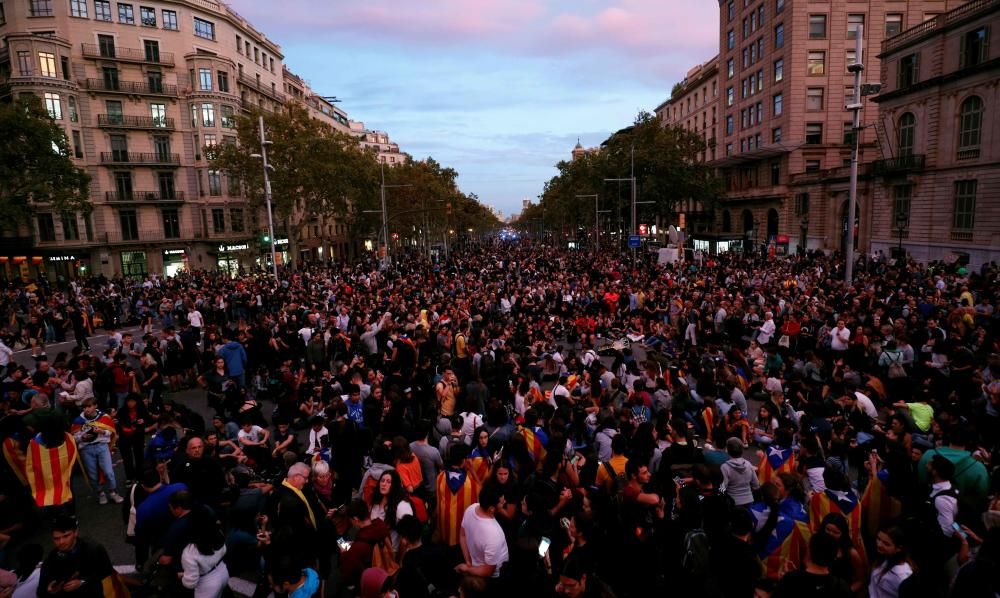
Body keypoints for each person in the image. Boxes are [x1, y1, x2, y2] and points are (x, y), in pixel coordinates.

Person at [37, 516, 114, 598]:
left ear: (76, 532)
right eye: (56, 538)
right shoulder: (50, 560)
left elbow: (107, 571)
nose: (61, 542)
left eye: (66, 536)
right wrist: (49, 590)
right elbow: (41, 592)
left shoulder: (93, 549)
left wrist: (82, 581)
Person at [70, 397, 124, 505]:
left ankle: (113, 492)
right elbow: (74, 438)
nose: (86, 409)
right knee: (93, 475)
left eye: (89, 406)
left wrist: (102, 431)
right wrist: (82, 437)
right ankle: (101, 494)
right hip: (86, 449)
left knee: (109, 472)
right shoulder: (78, 421)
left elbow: (111, 432)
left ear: (95, 406)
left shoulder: (104, 417)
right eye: (84, 407)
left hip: (102, 446)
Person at [772, 532, 851, 598]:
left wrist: (786, 580)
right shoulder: (841, 587)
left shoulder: (790, 581)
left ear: (809, 552)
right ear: (833, 557)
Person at [457, 484, 509, 579]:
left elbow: (462, 536)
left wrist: (468, 562)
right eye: (501, 502)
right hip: (493, 576)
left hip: (476, 567)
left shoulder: (471, 508)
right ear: (491, 508)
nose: (504, 502)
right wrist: (467, 568)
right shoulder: (495, 534)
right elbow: (488, 571)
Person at [180, 508, 230, 598]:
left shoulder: (190, 553)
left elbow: (190, 584)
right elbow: (224, 551)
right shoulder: (219, 534)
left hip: (207, 585)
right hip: (223, 573)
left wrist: (183, 577)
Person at [869, 526, 913, 598]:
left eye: (886, 543)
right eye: (878, 539)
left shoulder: (902, 578)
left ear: (899, 548)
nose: (879, 544)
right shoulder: (884, 556)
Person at [720, 436, 760, 507]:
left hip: (733, 503)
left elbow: (723, 487)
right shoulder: (748, 464)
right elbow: (756, 485)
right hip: (749, 501)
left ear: (727, 450)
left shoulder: (725, 467)